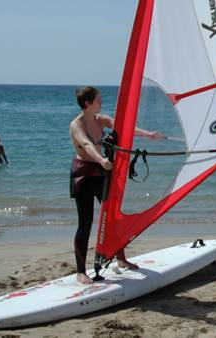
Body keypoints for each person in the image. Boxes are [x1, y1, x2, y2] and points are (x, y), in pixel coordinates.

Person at [69, 86, 164, 284]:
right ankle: (80, 271)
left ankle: (121, 260)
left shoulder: (101, 120)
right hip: (84, 174)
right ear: (87, 103)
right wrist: (102, 160)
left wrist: (149, 135)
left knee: (112, 216)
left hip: (100, 172)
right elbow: (87, 145)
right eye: (98, 100)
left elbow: (125, 128)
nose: (101, 103)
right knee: (85, 223)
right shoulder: (77, 125)